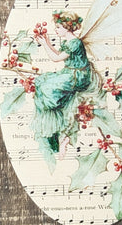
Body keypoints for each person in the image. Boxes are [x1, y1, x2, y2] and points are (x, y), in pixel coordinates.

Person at [32, 11, 99, 160]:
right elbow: (59, 54)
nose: (56, 30)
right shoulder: (68, 42)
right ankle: (55, 133)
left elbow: (56, 58)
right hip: (70, 72)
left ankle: (56, 130)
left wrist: (44, 44)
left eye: (58, 27)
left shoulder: (74, 42)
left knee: (46, 89)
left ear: (67, 28)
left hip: (78, 76)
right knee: (41, 82)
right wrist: (48, 42)